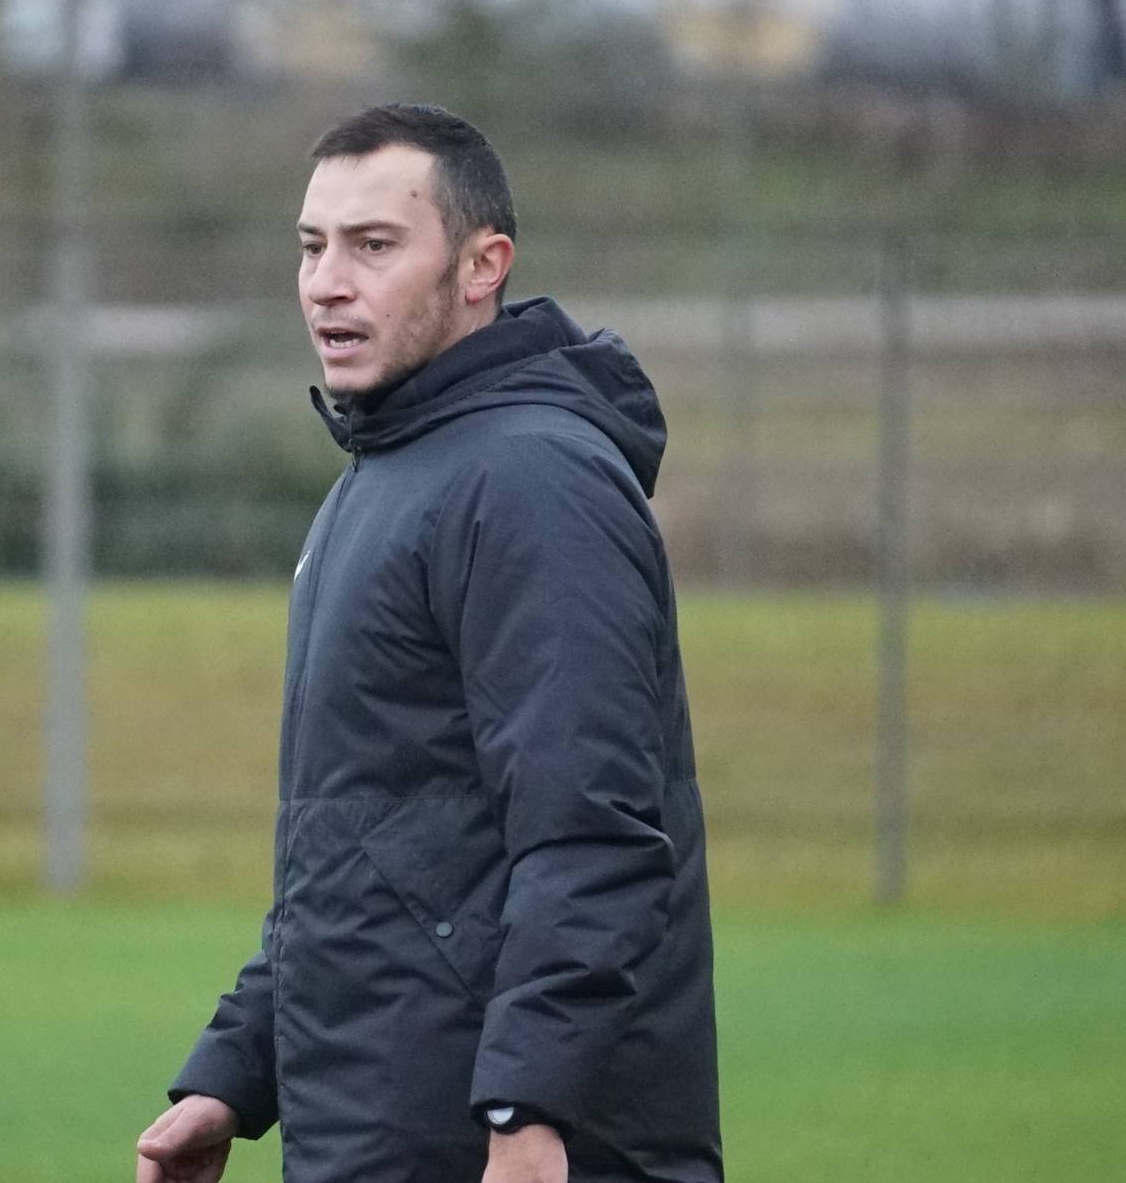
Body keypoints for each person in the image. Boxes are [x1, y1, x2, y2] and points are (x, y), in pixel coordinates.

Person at [135, 103, 721, 1183]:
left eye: (373, 245)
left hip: (508, 1146)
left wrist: (529, 1107)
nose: (326, 283)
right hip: (389, 1131)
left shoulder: (531, 481)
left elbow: (591, 836)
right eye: (311, 246)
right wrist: (237, 1070)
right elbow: (368, 848)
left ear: (482, 265)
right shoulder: (391, 474)